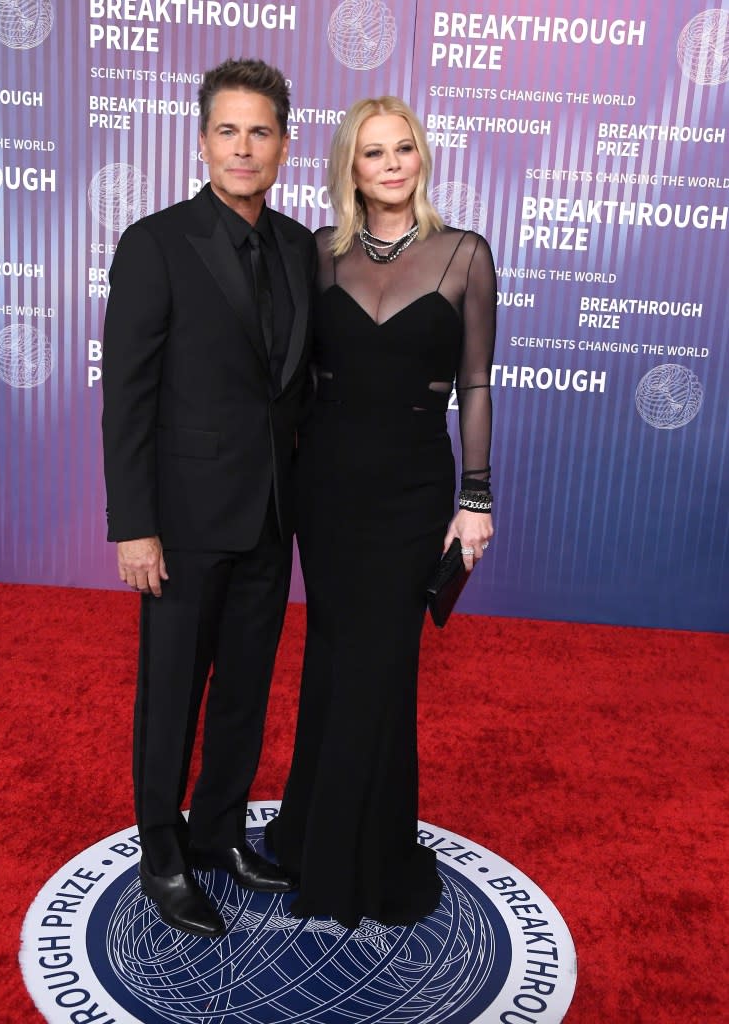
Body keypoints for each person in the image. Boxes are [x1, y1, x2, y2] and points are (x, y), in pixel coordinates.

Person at [266, 96, 496, 928]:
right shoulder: (319, 259)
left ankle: (363, 861)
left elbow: (474, 383)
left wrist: (476, 496)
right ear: (350, 168)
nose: (392, 164)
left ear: (421, 158)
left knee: (382, 664)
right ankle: (306, 834)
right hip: (325, 490)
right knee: (331, 655)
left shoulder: (464, 255)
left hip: (412, 491)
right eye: (374, 153)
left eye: (404, 148)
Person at [101, 58, 316, 938]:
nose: (243, 147)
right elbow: (128, 394)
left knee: (245, 690)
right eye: (227, 130)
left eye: (259, 131)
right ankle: (162, 852)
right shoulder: (155, 242)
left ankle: (220, 832)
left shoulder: (301, 246)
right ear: (201, 142)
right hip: (182, 522)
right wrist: (134, 525)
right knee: (172, 690)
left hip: (271, 517)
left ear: (284, 146)